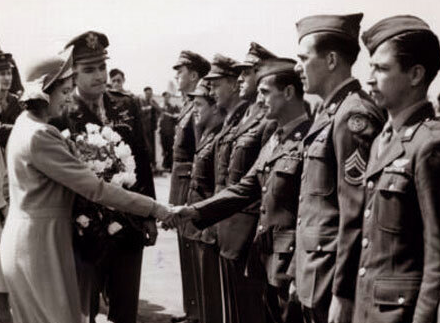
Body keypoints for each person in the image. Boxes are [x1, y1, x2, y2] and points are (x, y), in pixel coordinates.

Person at [0, 53, 174, 323]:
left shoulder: (26, 124)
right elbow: (96, 189)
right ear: (45, 92)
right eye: (65, 91)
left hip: (30, 241)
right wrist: (154, 207)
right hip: (40, 245)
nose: (69, 98)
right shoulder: (40, 135)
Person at [177, 58, 309, 323]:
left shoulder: (310, 137)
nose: (259, 100)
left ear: (289, 92)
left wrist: (299, 268)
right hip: (267, 259)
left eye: (265, 92)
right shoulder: (277, 138)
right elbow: (245, 188)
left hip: (292, 262)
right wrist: (193, 211)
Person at [54, 31, 157, 323]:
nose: (99, 76)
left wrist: (149, 214)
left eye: (102, 67)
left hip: (129, 225)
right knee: (83, 311)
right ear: (73, 74)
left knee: (125, 311)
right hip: (83, 231)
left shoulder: (126, 105)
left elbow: (142, 161)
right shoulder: (61, 115)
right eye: (89, 69)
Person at [293, 14, 386, 323]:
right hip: (315, 273)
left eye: (304, 58)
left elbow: (356, 214)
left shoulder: (352, 116)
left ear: (331, 60)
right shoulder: (329, 112)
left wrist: (343, 293)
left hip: (331, 279)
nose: (298, 67)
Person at [352, 15, 440, 323]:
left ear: (416, 74)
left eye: (381, 68)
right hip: (369, 310)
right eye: (371, 67)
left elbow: (436, 256)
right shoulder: (381, 142)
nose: (370, 79)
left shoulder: (429, 145)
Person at [169, 50, 210, 323]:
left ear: (194, 75)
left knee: (193, 245)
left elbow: (200, 150)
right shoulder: (187, 106)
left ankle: (198, 312)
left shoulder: (200, 106)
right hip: (180, 181)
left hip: (189, 183)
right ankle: (192, 310)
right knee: (185, 247)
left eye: (180, 71)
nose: (176, 76)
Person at [182, 79, 225, 323]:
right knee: (205, 298)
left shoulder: (218, 137)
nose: (194, 109)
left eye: (199, 104)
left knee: (214, 302)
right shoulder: (208, 133)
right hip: (201, 226)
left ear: (215, 107)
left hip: (210, 227)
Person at [0, 49, 23, 323]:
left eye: (7, 72)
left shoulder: (18, 104)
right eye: (0, 73)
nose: (5, 78)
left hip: (16, 178)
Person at [140, 86, 161, 170]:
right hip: (144, 128)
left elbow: (160, 110)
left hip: (152, 128)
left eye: (151, 94)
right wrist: (148, 108)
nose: (149, 95)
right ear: (144, 93)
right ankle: (146, 164)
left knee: (153, 147)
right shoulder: (141, 101)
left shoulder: (153, 102)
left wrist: (153, 105)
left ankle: (153, 164)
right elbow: (140, 111)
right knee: (146, 146)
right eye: (148, 93)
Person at [159, 91, 180, 171]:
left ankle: (170, 166)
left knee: (170, 148)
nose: (167, 99)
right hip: (162, 131)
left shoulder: (173, 107)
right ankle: (165, 165)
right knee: (164, 149)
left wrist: (172, 116)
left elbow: (177, 117)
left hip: (170, 131)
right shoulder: (160, 107)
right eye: (165, 97)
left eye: (168, 97)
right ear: (163, 97)